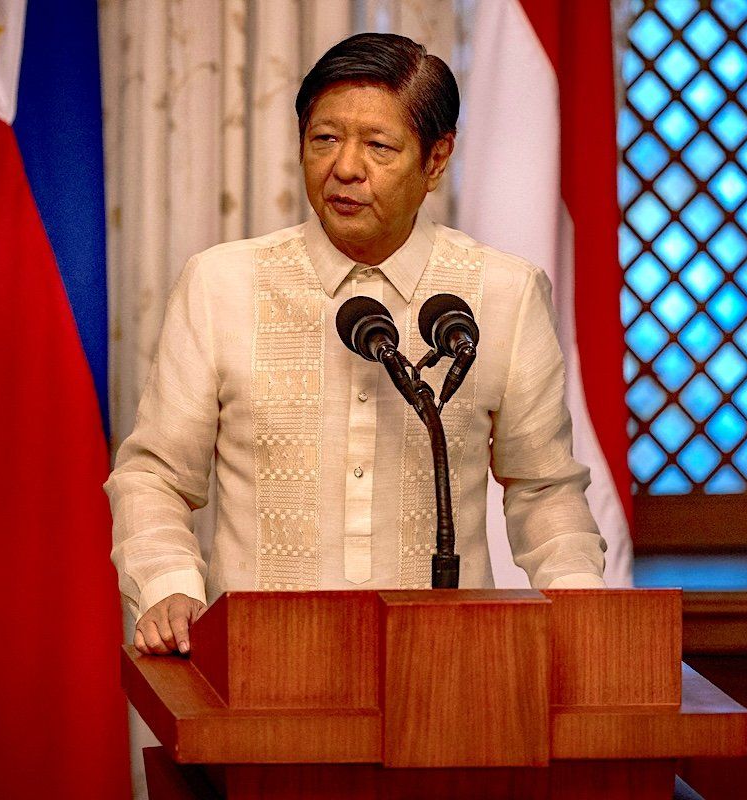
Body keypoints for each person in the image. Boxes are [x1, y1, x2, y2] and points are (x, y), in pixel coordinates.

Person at [106, 32, 606, 657]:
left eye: (378, 146)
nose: (345, 167)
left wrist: (583, 606)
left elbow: (543, 489)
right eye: (324, 139)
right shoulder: (221, 285)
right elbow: (155, 475)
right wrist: (167, 583)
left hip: (448, 673)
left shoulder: (503, 293)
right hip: (261, 668)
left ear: (436, 159)